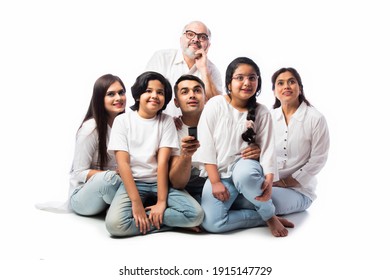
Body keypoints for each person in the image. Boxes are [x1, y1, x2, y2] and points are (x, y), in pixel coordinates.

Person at [196, 57, 294, 237]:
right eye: (240, 78)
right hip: (219, 172)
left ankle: (269, 214)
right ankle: (261, 218)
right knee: (212, 223)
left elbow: (268, 150)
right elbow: (206, 145)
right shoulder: (215, 105)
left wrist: (270, 182)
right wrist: (215, 181)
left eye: (252, 78)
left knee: (245, 174)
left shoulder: (262, 112)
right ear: (229, 82)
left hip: (244, 165)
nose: (246, 83)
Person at [105, 71, 204, 237]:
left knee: (196, 215)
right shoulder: (122, 121)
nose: (154, 96)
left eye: (160, 92)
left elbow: (163, 163)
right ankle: (171, 224)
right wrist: (136, 203)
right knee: (115, 225)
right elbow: (123, 164)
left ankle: (154, 219)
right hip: (134, 183)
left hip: (162, 184)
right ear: (137, 95)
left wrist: (161, 202)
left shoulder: (166, 121)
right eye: (148, 91)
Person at [35, 74, 126, 215]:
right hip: (83, 197)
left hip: (107, 194)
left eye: (121, 92)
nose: (118, 98)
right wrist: (114, 173)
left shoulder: (125, 125)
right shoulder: (91, 129)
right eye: (111, 94)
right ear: (99, 99)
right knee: (111, 179)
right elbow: (78, 173)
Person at [169, 74, 262, 205]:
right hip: (187, 189)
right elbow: (177, 183)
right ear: (176, 102)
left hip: (222, 181)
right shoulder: (171, 129)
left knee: (257, 201)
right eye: (185, 92)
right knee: (202, 216)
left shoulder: (222, 121)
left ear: (206, 98)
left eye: (197, 90)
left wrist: (257, 151)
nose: (192, 95)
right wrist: (185, 156)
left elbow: (239, 150)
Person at [270, 67, 330, 215]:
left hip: (299, 190)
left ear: (300, 88)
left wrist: (285, 182)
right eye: (280, 83)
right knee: (248, 198)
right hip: (268, 184)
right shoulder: (268, 117)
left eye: (291, 82)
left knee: (269, 203)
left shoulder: (315, 118)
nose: (286, 86)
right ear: (274, 91)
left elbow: (318, 159)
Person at [145, 20, 222, 117]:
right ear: (181, 40)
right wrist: (167, 121)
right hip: (161, 125)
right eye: (190, 34)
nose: (196, 39)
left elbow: (218, 108)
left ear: (208, 45)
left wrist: (204, 70)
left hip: (197, 129)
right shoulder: (162, 58)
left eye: (202, 37)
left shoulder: (212, 70)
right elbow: (146, 96)